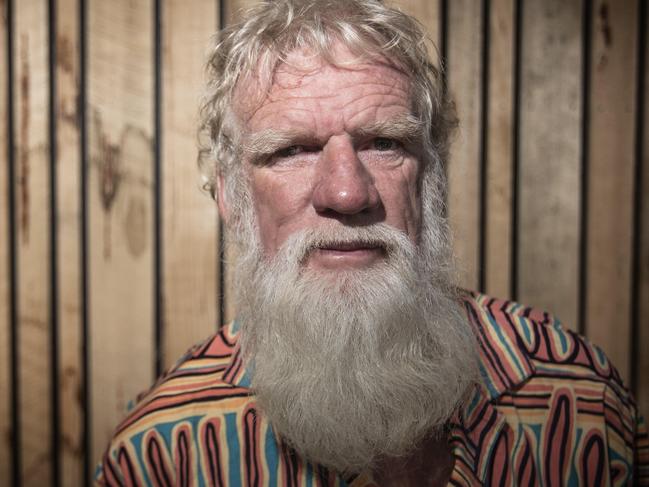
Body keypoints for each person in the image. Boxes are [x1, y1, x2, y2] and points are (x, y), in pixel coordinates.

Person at [95, 0, 649, 485]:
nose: (346, 191)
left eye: (385, 142)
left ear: (430, 179)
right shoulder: (162, 453)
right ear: (233, 199)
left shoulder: (583, 403)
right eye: (291, 150)